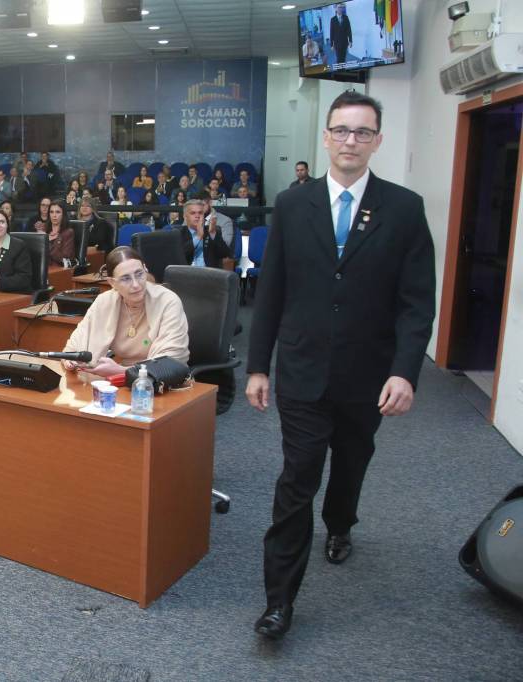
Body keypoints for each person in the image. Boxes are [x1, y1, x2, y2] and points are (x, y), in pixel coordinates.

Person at [246, 91, 436, 640]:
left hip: (367, 376)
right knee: (297, 478)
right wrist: (258, 366)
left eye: (363, 132)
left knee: (351, 462)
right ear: (326, 137)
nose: (351, 140)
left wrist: (404, 371)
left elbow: (416, 302)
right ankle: (279, 601)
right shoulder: (292, 204)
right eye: (342, 130)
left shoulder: (404, 208)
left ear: (377, 141)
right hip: (302, 370)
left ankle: (341, 523)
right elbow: (272, 291)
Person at [61, 246, 189, 377]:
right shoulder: (105, 302)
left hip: (164, 380)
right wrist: (70, 359)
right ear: (112, 282)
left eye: (139, 274)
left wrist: (121, 371)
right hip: (124, 379)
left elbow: (171, 361)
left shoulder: (168, 301)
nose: (136, 284)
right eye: (126, 278)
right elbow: (75, 345)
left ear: (145, 269)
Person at [179, 199, 230, 268]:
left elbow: (224, 253)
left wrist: (213, 233)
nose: (197, 216)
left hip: (209, 272)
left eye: (200, 213)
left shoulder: (212, 231)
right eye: (193, 213)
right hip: (186, 272)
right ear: (185, 216)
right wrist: (198, 236)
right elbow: (179, 255)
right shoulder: (178, 233)